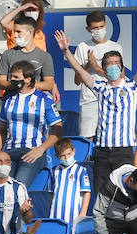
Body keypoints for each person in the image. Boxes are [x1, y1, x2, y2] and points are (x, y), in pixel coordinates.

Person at [57, 30, 137, 193]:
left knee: (126, 195)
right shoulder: (100, 87)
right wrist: (66, 51)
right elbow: (80, 71)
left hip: (124, 150)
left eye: (116, 63)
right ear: (104, 68)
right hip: (102, 151)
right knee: (101, 193)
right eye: (109, 63)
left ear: (121, 67)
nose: (113, 66)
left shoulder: (132, 87)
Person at [0, 60, 62, 191]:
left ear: (28, 79)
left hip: (31, 151)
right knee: (1, 188)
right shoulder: (8, 99)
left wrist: (41, 149)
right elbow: (1, 129)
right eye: (11, 76)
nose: (11, 80)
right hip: (9, 152)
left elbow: (58, 130)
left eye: (16, 77)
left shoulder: (44, 100)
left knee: (17, 188)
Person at [67, 11, 122, 144]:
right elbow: (77, 81)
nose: (99, 30)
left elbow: (120, 77)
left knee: (111, 136)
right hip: (89, 99)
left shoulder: (115, 47)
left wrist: (96, 67)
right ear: (88, 29)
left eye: (101, 27)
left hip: (110, 98)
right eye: (95, 28)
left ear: (106, 25)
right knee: (87, 138)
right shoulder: (82, 47)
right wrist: (87, 66)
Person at [0, 14, 57, 98]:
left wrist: (26, 84)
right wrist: (16, 84)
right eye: (14, 31)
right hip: (13, 100)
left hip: (36, 101)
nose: (15, 35)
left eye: (18, 32)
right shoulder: (8, 54)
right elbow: (0, 82)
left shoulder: (44, 56)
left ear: (30, 32)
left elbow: (48, 85)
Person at [48, 137, 92, 234]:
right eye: (63, 156)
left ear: (74, 151)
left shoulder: (80, 170)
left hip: (74, 214)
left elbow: (87, 193)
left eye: (69, 154)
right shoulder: (54, 171)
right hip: (56, 213)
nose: (67, 158)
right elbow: (51, 194)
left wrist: (82, 214)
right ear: (57, 156)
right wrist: (50, 209)